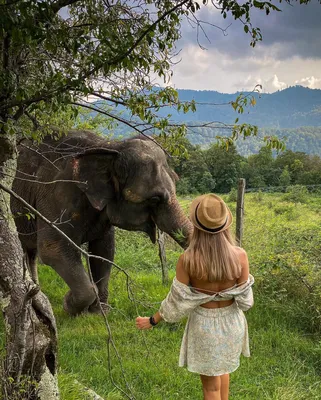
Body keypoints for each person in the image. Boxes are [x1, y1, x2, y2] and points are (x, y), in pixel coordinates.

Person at [135, 193, 254, 400]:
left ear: (196, 225)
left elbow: (176, 301)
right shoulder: (240, 256)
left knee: (210, 389)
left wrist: (152, 320)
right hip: (232, 324)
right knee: (223, 371)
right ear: (225, 223)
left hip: (204, 326)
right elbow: (245, 301)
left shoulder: (187, 260)